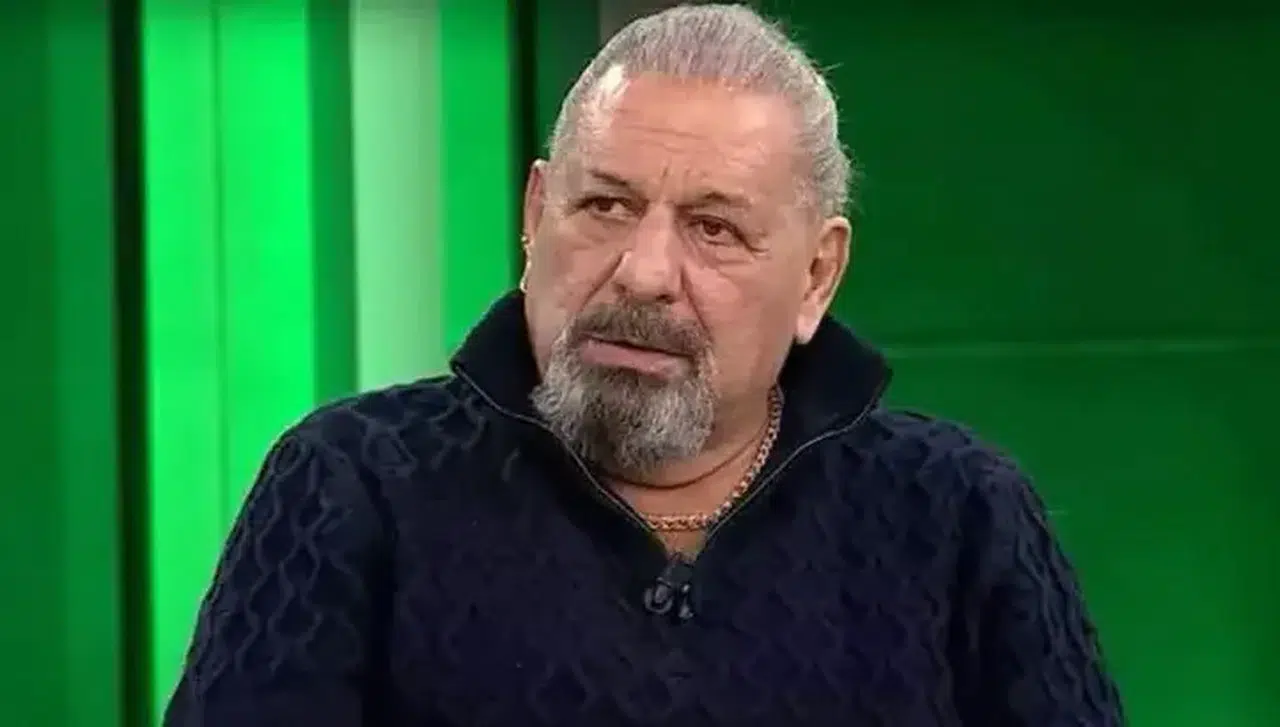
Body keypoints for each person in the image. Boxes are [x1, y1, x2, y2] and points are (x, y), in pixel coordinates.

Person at [163, 4, 1125, 726]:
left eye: (714, 228)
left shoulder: (957, 514)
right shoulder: (351, 485)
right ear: (536, 216)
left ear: (816, 276)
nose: (644, 272)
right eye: (606, 206)